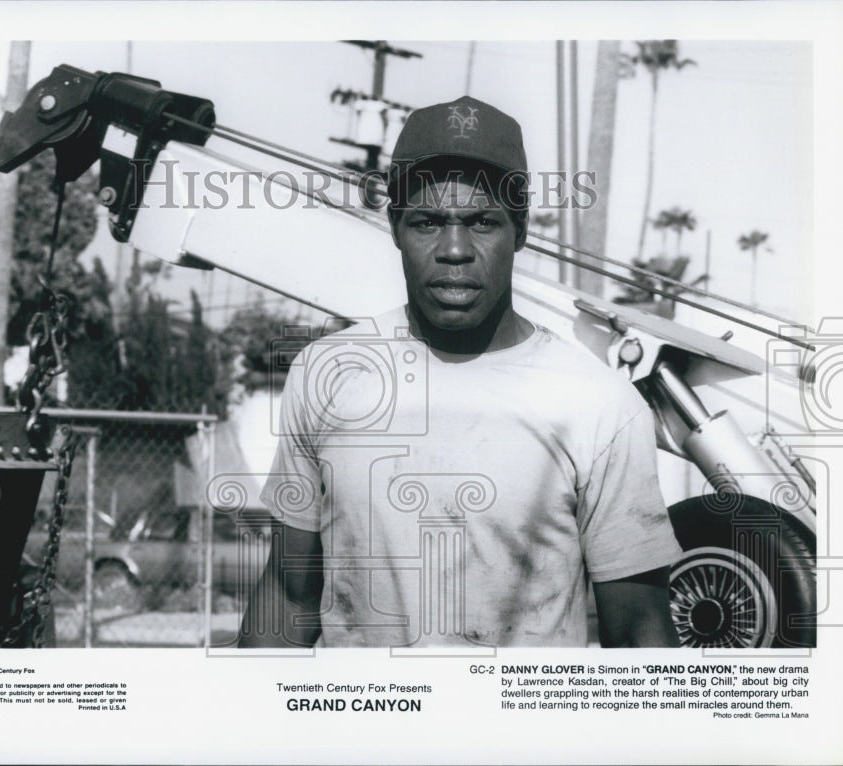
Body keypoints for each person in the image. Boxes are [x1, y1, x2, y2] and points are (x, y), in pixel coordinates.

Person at [239, 96, 682, 648]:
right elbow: (287, 597)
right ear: (396, 228)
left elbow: (640, 632)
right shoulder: (330, 372)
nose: (454, 250)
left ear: (519, 231)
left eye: (481, 223)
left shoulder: (598, 404)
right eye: (428, 222)